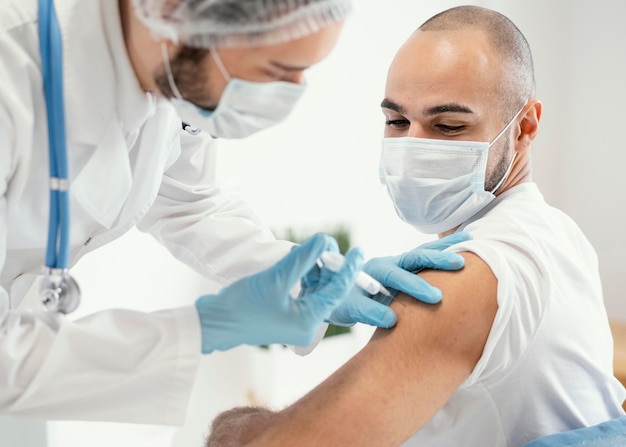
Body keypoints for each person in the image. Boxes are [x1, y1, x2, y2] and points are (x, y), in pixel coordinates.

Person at [0, 0, 471, 425]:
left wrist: (300, 275)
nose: (290, 94)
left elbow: (192, 202)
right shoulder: (10, 71)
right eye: (277, 70)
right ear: (174, 13)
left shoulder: (166, 70)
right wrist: (211, 325)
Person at [205, 5, 626, 446]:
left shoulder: (462, 279)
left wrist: (231, 427)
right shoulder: (560, 233)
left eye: (447, 126)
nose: (413, 148)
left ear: (525, 127)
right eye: (397, 121)